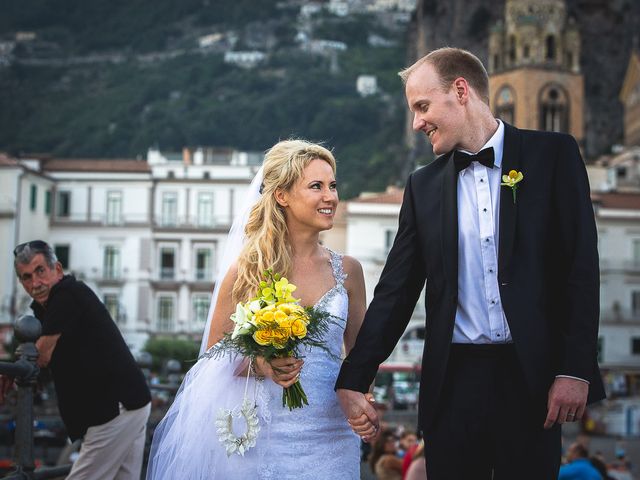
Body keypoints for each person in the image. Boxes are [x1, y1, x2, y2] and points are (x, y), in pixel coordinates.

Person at [335, 47, 606, 479]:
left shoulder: (553, 156)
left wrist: (574, 368)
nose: (416, 123)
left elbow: (580, 269)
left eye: (422, 106)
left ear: (460, 91)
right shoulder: (421, 187)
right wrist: (354, 376)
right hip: (453, 382)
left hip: (532, 379)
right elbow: (396, 292)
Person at [146, 139, 367, 479]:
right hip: (265, 438)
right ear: (282, 196)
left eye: (333, 186)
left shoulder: (349, 271)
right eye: (316, 186)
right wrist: (262, 363)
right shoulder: (247, 271)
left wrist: (363, 399)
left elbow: (361, 357)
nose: (330, 197)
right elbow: (212, 361)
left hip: (332, 437)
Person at [3, 240, 151, 480]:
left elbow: (39, 355)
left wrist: (10, 372)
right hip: (130, 404)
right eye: (26, 277)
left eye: (40, 271)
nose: (35, 283)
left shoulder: (67, 293)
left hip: (115, 410)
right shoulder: (48, 307)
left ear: (57, 270)